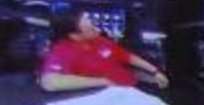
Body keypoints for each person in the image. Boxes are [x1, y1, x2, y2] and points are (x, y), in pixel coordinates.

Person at [38, 7, 170, 93]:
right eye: (91, 28)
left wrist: (154, 72)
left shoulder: (99, 39)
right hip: (113, 95)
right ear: (74, 35)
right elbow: (49, 82)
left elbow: (127, 56)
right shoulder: (62, 51)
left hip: (136, 85)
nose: (97, 29)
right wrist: (105, 81)